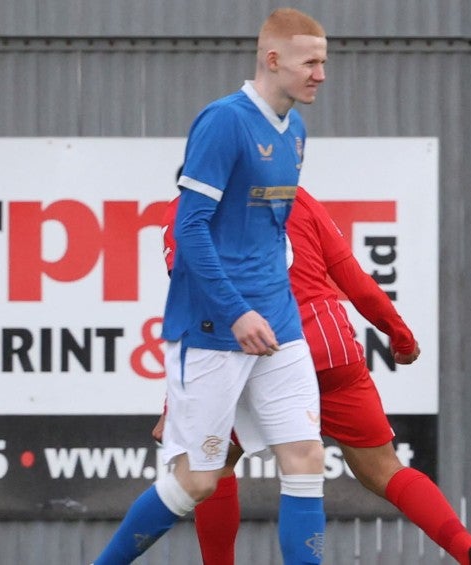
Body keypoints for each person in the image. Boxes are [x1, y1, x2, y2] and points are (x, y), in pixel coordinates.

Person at [155, 185, 471, 565]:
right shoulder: (292, 195)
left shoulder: (184, 212)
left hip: (262, 359)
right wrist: (399, 333)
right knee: (385, 470)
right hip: (330, 349)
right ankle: (470, 551)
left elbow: (193, 307)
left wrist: (174, 401)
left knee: (216, 463)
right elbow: (352, 278)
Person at [93, 8, 330, 564]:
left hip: (279, 323)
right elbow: (189, 226)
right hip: (213, 328)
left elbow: (270, 234)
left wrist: (272, 305)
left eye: (324, 62)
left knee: (305, 457)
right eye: (310, 62)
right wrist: (236, 311)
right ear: (273, 60)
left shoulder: (294, 129)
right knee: (198, 482)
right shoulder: (224, 121)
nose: (321, 74)